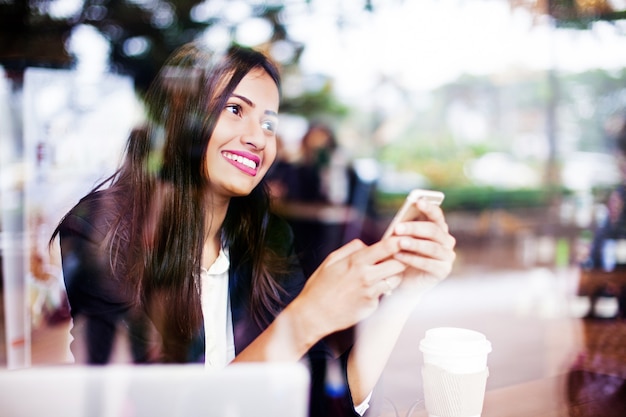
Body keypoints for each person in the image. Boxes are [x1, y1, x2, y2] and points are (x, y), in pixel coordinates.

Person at [50, 41, 456, 416]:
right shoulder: (100, 233)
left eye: (269, 124)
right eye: (234, 109)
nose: (258, 139)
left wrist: (406, 291)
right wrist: (306, 317)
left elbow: (326, 396)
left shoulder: (266, 240)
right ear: (181, 118)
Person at [581, 118, 626, 319]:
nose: (618, 162)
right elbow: (608, 233)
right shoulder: (621, 193)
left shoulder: (621, 194)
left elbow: (613, 233)